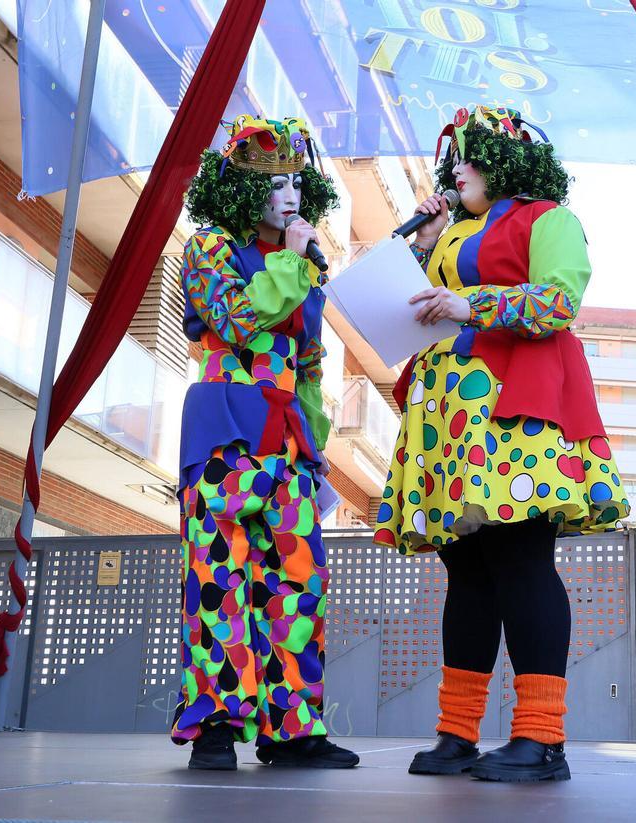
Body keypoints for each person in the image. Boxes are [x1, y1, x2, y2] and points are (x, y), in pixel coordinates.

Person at [373, 106, 630, 782]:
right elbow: (408, 304)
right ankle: (457, 734)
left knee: (520, 561)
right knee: (466, 571)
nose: (456, 167)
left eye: (471, 155)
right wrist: (424, 242)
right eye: (455, 157)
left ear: (508, 162)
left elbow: (556, 301)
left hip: (512, 406)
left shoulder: (549, 218)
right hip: (447, 416)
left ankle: (542, 738)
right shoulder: (448, 230)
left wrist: (471, 304)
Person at [171, 115, 358, 771]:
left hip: (286, 442)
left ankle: (293, 728)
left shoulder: (301, 268)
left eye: (296, 183)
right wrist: (293, 260)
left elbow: (309, 369)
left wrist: (315, 449)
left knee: (297, 584)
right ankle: (218, 723)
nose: (289, 195)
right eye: (274, 182)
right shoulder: (209, 246)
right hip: (224, 424)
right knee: (219, 574)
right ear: (239, 191)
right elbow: (236, 318)